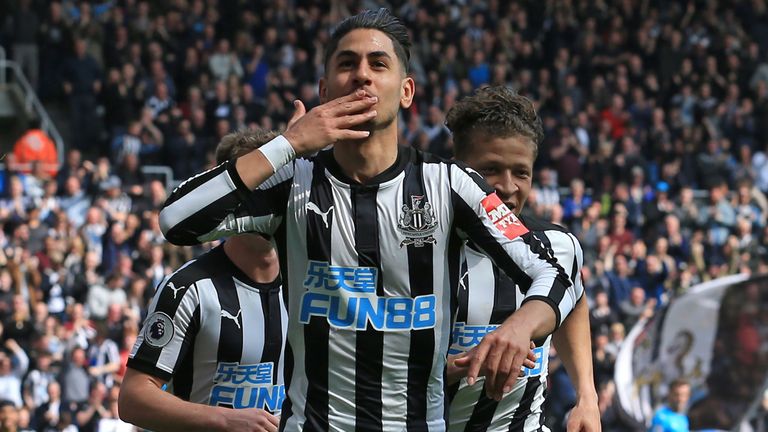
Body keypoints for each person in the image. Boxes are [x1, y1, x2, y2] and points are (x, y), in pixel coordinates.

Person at [159, 9, 576, 431]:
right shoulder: (293, 184)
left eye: (378, 64)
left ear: (406, 91)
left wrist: (521, 326)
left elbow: (555, 274)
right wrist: (290, 142)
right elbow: (176, 220)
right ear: (325, 90)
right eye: (346, 63)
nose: (362, 75)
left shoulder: (450, 184)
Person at [444, 86, 600, 431]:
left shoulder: (557, 245)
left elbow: (573, 298)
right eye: (491, 170)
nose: (508, 186)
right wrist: (473, 364)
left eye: (521, 172)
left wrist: (587, 395)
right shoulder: (421, 253)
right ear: (458, 172)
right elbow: (386, 382)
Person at [119, 129, 287, 432]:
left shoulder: (308, 282)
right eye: (253, 192)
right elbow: (132, 398)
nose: (266, 206)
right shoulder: (188, 288)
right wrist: (223, 418)